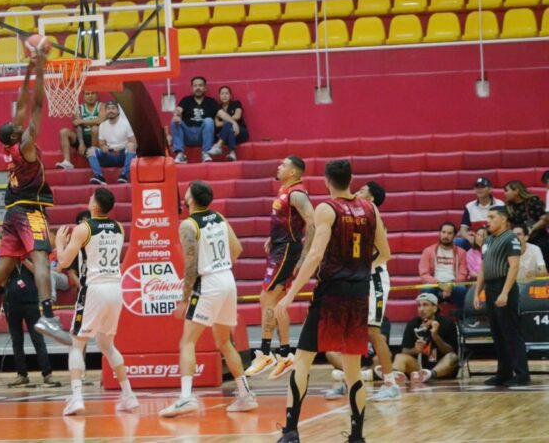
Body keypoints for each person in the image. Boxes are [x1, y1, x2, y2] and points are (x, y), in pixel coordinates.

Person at [0, 52, 72, 354]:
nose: (18, 122)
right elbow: (37, 107)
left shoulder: (9, 149)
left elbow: (20, 104)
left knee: (2, 268)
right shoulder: (27, 145)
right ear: (17, 134)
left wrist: (28, 71)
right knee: (43, 259)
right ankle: (47, 315)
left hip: (10, 214)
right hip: (30, 210)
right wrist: (43, 71)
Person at [274, 159, 391, 443]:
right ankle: (357, 436)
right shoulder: (370, 208)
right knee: (352, 369)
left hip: (331, 293)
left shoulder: (327, 208)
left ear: (327, 181)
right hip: (359, 292)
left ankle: (290, 432)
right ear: (350, 180)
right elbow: (385, 253)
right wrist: (359, 269)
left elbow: (314, 255)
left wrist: (289, 295)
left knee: (303, 360)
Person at [160, 181, 257, 417]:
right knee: (224, 342)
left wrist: (184, 299)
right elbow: (237, 250)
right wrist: (220, 266)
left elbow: (191, 266)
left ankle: (185, 398)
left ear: (190, 199)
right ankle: (245, 395)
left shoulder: (188, 225)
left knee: (187, 342)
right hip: (227, 279)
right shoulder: (220, 218)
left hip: (209, 283)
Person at [54, 188, 137, 415]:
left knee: (77, 343)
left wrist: (59, 242)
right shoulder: (119, 228)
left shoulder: (84, 229)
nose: (88, 200)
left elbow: (62, 262)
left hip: (95, 288)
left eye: (91, 198)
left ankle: (77, 398)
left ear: (94, 206)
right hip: (115, 289)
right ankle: (128, 395)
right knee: (107, 345)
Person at [326, 181, 399, 401]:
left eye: (362, 191)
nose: (356, 192)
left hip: (374, 278)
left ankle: (391, 383)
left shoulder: (375, 219)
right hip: (356, 278)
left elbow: (382, 253)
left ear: (371, 199)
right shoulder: (355, 219)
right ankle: (351, 382)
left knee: (373, 332)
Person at [246, 156, 314, 380]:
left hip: (286, 251)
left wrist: (304, 256)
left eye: (284, 165)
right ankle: (285, 354)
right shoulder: (285, 190)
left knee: (266, 299)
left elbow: (312, 223)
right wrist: (272, 237)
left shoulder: (297, 193)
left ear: (294, 172)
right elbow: (285, 221)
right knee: (276, 303)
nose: (278, 166)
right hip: (279, 247)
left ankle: (265, 353)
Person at [475, 205, 529, 386]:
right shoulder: (487, 241)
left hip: (504, 286)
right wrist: (477, 292)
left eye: (492, 217)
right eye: (487, 217)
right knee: (497, 333)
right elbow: (483, 268)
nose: (487, 221)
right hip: (490, 288)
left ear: (504, 219)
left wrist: (505, 292)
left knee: (511, 332)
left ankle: (521, 374)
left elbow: (514, 266)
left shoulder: (510, 238)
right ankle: (504, 373)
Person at [3, 256, 60, 389]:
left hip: (31, 304)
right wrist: (11, 262)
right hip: (11, 305)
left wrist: (23, 260)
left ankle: (47, 374)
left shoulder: (32, 255)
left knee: (38, 340)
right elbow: (0, 281)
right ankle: (21, 375)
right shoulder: (6, 258)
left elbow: (38, 272)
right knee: (17, 342)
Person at [390, 292, 460, 385]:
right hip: (419, 369)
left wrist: (436, 337)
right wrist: (416, 350)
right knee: (399, 357)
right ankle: (393, 376)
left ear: (435, 308)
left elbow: (451, 352)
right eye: (419, 306)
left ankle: (429, 374)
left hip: (441, 369)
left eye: (425, 305)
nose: (421, 309)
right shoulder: (413, 324)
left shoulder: (447, 324)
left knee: (453, 357)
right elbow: (404, 351)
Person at [170, 76, 220, 163]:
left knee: (209, 120)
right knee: (175, 121)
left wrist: (233, 122)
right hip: (188, 135)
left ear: (205, 88)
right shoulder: (186, 100)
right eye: (195, 85)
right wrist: (176, 115)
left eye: (200, 85)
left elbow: (221, 114)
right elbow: (178, 110)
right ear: (192, 88)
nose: (198, 88)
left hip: (203, 135)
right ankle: (180, 154)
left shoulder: (211, 101)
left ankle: (206, 153)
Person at [419, 222, 468, 309]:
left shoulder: (461, 252)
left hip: (453, 285)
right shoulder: (428, 251)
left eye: (449, 233)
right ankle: (429, 319)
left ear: (454, 235)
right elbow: (424, 274)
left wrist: (450, 285)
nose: (446, 235)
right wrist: (439, 284)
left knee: (461, 288)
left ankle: (462, 319)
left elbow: (463, 274)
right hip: (435, 285)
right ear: (439, 233)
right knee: (426, 288)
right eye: (443, 232)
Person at [87, 101, 136, 185]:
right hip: (108, 155)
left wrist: (120, 148)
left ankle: (124, 176)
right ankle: (99, 176)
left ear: (118, 111)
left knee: (131, 146)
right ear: (106, 111)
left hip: (122, 155)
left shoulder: (126, 124)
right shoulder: (102, 125)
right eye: (108, 109)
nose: (111, 110)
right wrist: (104, 148)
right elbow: (101, 144)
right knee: (91, 150)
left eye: (113, 108)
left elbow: (134, 142)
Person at [55, 90, 104, 170]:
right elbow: (78, 126)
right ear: (83, 96)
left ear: (97, 95)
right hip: (83, 138)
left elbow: (100, 120)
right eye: (87, 93)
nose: (90, 96)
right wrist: (81, 143)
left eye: (93, 93)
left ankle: (93, 157)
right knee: (63, 132)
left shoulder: (102, 106)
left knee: (95, 128)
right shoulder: (79, 108)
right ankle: (67, 162)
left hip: (97, 139)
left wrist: (82, 121)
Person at [504, 180, 549, 265]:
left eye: (507, 190)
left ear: (516, 191)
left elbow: (544, 219)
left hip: (537, 235)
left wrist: (531, 228)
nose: (505, 193)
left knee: (544, 246)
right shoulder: (508, 206)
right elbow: (509, 224)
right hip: (519, 238)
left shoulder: (532, 200)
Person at [456, 177, 504, 250]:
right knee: (456, 242)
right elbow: (463, 230)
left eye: (482, 187)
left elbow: (505, 227)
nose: (479, 190)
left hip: (495, 239)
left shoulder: (500, 204)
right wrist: (469, 238)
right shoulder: (469, 206)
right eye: (477, 187)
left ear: (490, 189)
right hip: (476, 240)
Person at [214, 85, 248, 161]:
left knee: (228, 125)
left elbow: (237, 116)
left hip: (239, 132)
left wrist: (226, 121)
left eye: (227, 93)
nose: (224, 96)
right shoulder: (217, 107)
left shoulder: (236, 103)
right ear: (219, 96)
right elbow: (217, 124)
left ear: (231, 95)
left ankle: (218, 145)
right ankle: (232, 153)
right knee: (229, 128)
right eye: (222, 93)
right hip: (225, 135)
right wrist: (230, 122)